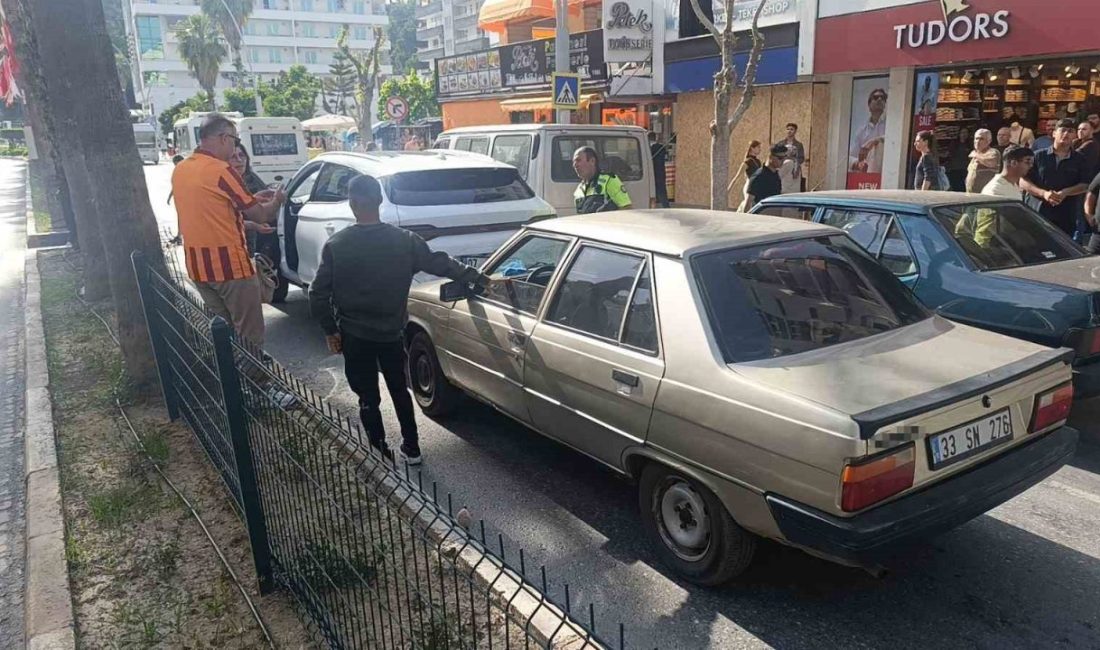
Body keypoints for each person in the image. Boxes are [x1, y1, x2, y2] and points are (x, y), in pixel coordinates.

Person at [308, 175, 489, 463]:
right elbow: (440, 263)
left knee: (367, 396)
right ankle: (412, 447)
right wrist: (476, 277)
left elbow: (317, 293)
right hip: (392, 332)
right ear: (380, 201)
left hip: (354, 334)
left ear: (353, 204)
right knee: (399, 389)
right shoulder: (404, 241)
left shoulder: (337, 245)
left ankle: (379, 450)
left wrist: (331, 331)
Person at [171, 113, 285, 348]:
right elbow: (261, 215)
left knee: (224, 335)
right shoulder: (222, 171)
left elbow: (211, 211)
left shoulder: (181, 169)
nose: (235, 148)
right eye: (234, 139)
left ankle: (231, 380)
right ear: (223, 138)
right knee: (249, 335)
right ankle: (255, 382)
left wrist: (251, 198)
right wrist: (277, 201)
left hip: (198, 268)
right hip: (232, 270)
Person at [1020, 118, 1093, 237]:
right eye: (1062, 130)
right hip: (1037, 211)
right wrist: (1043, 193)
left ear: (1075, 135)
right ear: (1054, 133)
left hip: (1065, 213)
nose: (1066, 134)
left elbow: (1085, 184)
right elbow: (1023, 180)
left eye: (1070, 131)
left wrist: (1065, 192)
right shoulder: (1038, 156)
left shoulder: (1080, 159)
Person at [572, 146, 632, 213]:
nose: (575, 165)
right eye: (574, 162)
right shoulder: (578, 190)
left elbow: (626, 208)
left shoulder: (609, 180)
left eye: (578, 160)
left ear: (592, 161)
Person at [849, 88, 888, 174]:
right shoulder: (862, 131)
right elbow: (851, 156)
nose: (880, 99)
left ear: (885, 104)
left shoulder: (890, 125)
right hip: (866, 179)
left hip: (885, 175)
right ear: (869, 105)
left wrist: (875, 141)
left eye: (883, 98)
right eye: (876, 97)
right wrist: (858, 164)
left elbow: (894, 139)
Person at [745, 144, 785, 208]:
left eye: (785, 158)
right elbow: (748, 203)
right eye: (780, 158)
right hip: (760, 215)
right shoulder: (758, 176)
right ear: (771, 157)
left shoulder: (776, 176)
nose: (783, 161)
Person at [965, 129, 1000, 194]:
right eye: (976, 138)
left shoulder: (993, 152)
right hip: (971, 194)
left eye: (981, 139)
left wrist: (976, 156)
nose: (978, 141)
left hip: (985, 195)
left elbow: (991, 163)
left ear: (989, 141)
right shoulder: (974, 153)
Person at [774, 123, 805, 190]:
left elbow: (801, 158)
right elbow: (776, 156)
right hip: (783, 168)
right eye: (788, 129)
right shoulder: (781, 143)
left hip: (794, 169)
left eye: (791, 129)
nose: (789, 131)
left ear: (795, 131)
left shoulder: (798, 145)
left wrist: (794, 160)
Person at [732, 140, 762, 211]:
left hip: (757, 185)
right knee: (748, 204)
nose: (760, 149)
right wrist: (728, 190)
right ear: (752, 148)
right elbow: (737, 176)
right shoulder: (747, 161)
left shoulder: (758, 162)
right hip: (750, 185)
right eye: (758, 147)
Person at [648, 132, 670, 208]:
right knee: (662, 193)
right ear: (655, 138)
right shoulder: (661, 148)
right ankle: (666, 208)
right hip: (661, 173)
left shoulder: (649, 149)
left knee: (653, 192)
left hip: (652, 174)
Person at [945, 128, 971, 192]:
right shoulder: (954, 143)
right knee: (955, 187)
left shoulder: (970, 144)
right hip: (954, 169)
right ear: (959, 134)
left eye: (965, 133)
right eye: (962, 133)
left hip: (965, 169)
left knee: (963, 187)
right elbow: (948, 154)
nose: (964, 134)